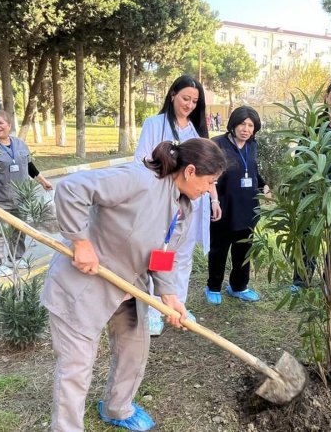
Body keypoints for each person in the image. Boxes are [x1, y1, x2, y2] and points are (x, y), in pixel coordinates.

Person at [41, 138, 226, 432]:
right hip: (84, 283)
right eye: (210, 182)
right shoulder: (137, 180)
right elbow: (71, 188)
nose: (209, 190)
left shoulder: (183, 206)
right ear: (190, 171)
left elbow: (165, 254)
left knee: (134, 350)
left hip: (129, 286)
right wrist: (81, 242)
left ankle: (117, 407)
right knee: (77, 366)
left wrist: (169, 296)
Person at [134, 75, 217, 335]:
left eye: (195, 101)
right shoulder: (154, 124)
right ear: (172, 95)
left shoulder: (196, 131)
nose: (189, 104)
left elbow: (209, 169)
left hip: (191, 203)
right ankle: (154, 310)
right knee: (160, 255)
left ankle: (176, 304)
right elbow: (141, 162)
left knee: (183, 255)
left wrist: (214, 198)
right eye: (185, 98)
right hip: (162, 202)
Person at [0, 110, 53, 277]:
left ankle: (16, 258)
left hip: (20, 198)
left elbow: (29, 166)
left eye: (0, 123)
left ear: (9, 125)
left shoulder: (20, 144)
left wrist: (43, 181)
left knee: (19, 230)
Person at [291, 77, 331, 290]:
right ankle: (302, 279)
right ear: (326, 96)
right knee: (309, 231)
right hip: (314, 187)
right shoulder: (314, 122)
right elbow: (301, 153)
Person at [205, 106, 271, 304]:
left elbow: (251, 169)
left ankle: (239, 286)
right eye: (242, 124)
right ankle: (213, 286)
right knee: (219, 249)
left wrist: (264, 185)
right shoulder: (217, 144)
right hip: (224, 206)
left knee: (243, 250)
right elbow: (208, 175)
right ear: (233, 124)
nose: (246, 129)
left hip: (248, 207)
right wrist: (214, 200)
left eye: (251, 125)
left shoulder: (252, 145)